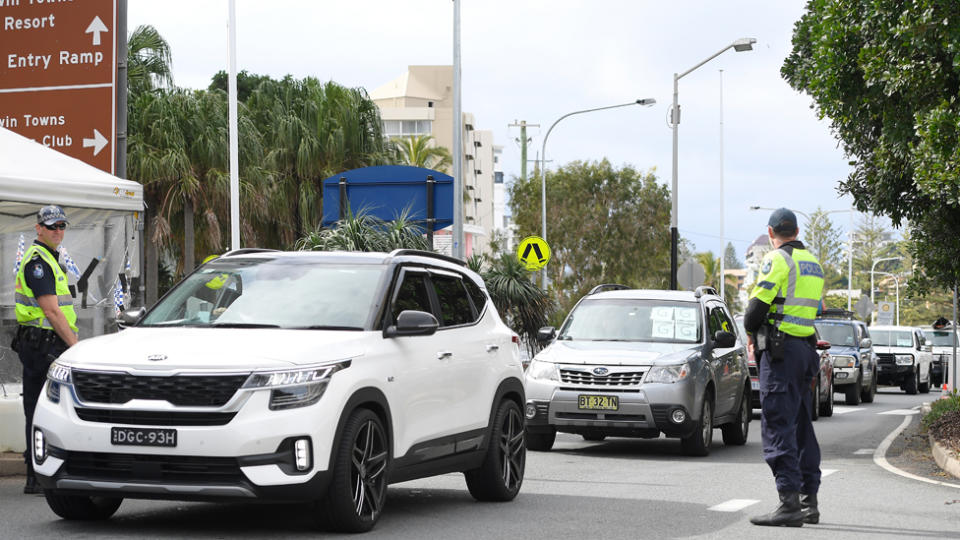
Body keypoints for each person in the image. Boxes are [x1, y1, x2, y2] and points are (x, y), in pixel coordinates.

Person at [743, 208, 825, 527]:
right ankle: (808, 502)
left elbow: (753, 313)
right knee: (802, 426)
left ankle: (788, 503)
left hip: (780, 354)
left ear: (771, 232)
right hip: (805, 350)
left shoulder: (777, 260)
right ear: (797, 230)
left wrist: (752, 334)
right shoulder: (813, 263)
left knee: (777, 425)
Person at [13, 205, 78, 494]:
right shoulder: (38, 262)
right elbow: (52, 312)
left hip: (47, 343)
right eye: (52, 226)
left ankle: (42, 471)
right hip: (43, 344)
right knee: (40, 409)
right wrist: (76, 347)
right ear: (38, 228)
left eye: (62, 225)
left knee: (48, 407)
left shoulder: (52, 259)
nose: (57, 231)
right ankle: (35, 474)